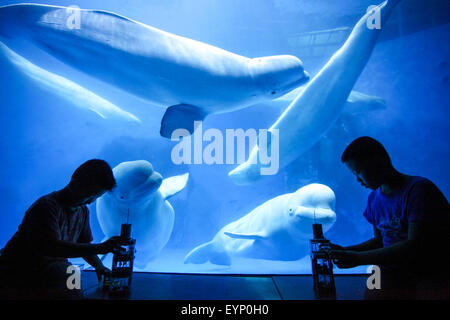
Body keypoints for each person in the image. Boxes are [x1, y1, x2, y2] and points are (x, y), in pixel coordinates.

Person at [328, 136, 450, 299]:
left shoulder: (419, 190)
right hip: (389, 271)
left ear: (378, 161)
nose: (357, 179)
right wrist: (346, 250)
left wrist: (357, 258)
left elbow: (416, 246)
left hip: (428, 272)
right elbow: (379, 241)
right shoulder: (374, 199)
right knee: (372, 292)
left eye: (358, 172)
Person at [0, 159, 123, 299]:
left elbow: (84, 245)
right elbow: (52, 247)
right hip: (18, 272)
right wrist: (100, 248)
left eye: (95, 197)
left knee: (72, 278)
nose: (90, 201)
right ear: (76, 181)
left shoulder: (82, 211)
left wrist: (99, 266)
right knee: (71, 278)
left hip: (53, 270)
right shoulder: (45, 207)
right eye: (90, 194)